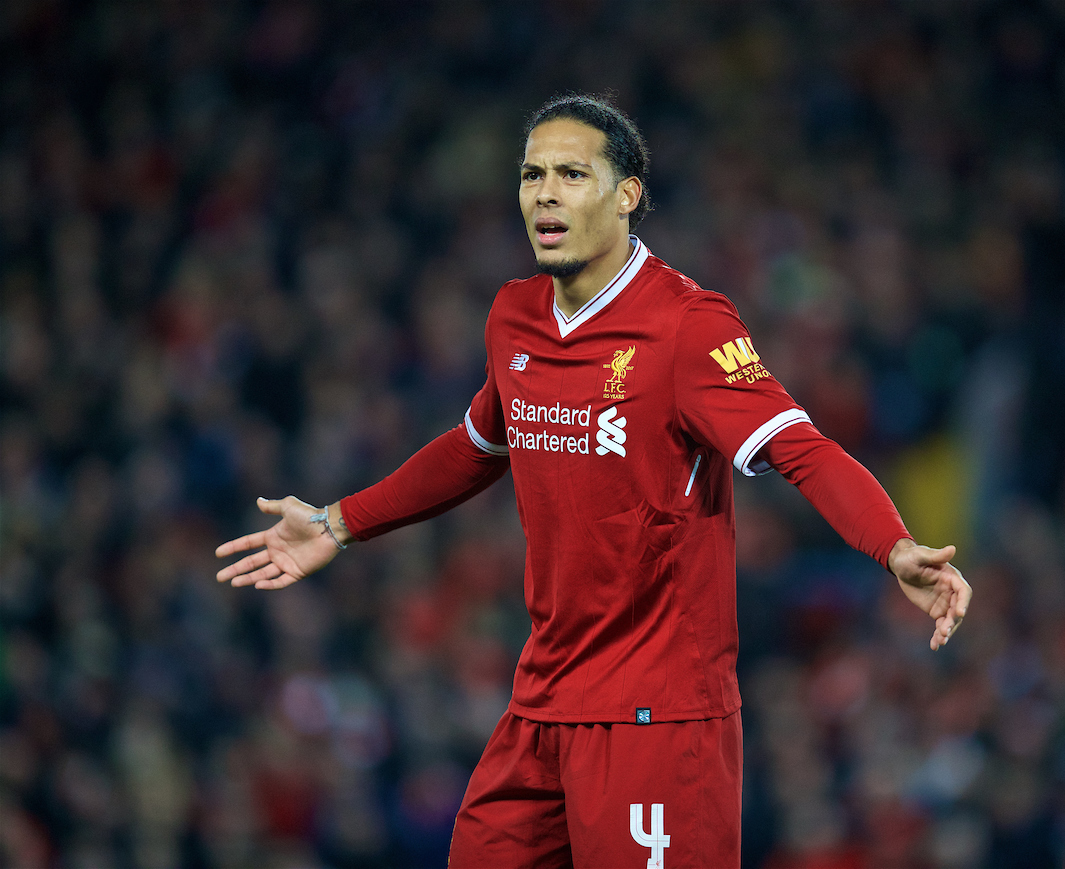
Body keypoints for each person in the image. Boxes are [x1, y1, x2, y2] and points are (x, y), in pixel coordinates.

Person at [216, 94, 971, 868]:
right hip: (542, 700)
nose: (544, 191)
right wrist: (341, 521)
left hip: (659, 716)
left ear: (627, 194)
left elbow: (801, 448)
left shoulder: (687, 326)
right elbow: (477, 446)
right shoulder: (514, 315)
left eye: (572, 173)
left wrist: (894, 546)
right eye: (532, 173)